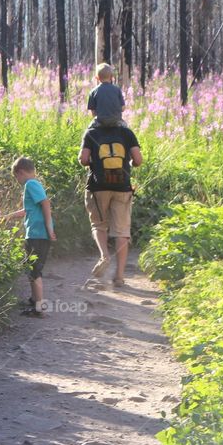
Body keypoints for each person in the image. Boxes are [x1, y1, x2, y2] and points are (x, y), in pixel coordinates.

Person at [78, 122, 143, 287]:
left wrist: (92, 161)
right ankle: (119, 276)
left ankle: (104, 256)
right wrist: (130, 164)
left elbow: (83, 159)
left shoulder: (91, 132)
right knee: (122, 231)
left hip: (97, 187)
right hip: (122, 187)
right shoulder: (127, 132)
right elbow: (138, 160)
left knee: (99, 225)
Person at [2, 157, 57, 316]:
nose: (17, 181)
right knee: (32, 267)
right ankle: (34, 300)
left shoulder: (30, 184)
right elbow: (29, 210)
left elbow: (45, 203)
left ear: (20, 172)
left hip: (37, 233)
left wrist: (48, 226)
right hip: (36, 232)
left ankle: (39, 308)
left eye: (16, 177)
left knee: (34, 270)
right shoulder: (33, 185)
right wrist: (8, 216)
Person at [86, 63, 126, 128]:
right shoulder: (117, 90)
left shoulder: (93, 92)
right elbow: (123, 108)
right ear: (111, 77)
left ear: (97, 78)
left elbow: (93, 113)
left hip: (100, 121)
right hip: (116, 121)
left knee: (88, 133)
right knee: (128, 132)